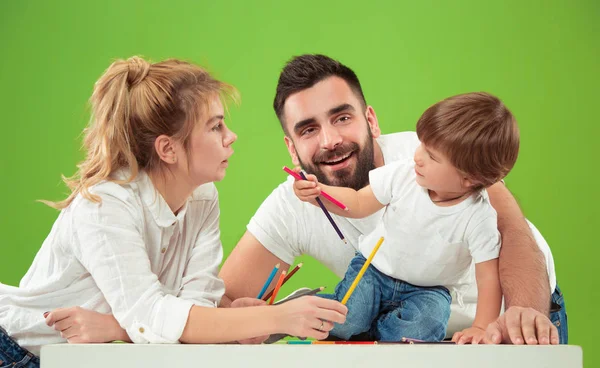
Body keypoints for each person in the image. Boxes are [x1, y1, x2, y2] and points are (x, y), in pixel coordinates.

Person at [0, 56, 347, 368]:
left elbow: (191, 307)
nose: (231, 137)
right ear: (168, 148)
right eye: (216, 127)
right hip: (20, 361)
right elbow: (152, 318)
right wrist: (274, 319)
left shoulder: (202, 198)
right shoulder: (105, 205)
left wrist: (225, 318)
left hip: (94, 366)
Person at [219, 54, 567, 345]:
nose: (330, 140)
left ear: (371, 120)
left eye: (342, 117)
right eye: (308, 129)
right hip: (405, 341)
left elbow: (513, 231)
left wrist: (526, 317)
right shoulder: (293, 203)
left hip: (503, 325)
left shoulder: (440, 154)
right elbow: (224, 301)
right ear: (291, 149)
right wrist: (243, 322)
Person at [293, 92, 519, 344]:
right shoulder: (404, 175)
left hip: (428, 291)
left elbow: (488, 277)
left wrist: (480, 326)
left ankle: (370, 328)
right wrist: (320, 193)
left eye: (432, 156)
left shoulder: (479, 218)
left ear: (469, 178)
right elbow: (357, 203)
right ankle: (296, 310)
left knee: (422, 331)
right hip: (375, 271)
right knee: (346, 321)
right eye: (422, 144)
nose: (417, 156)